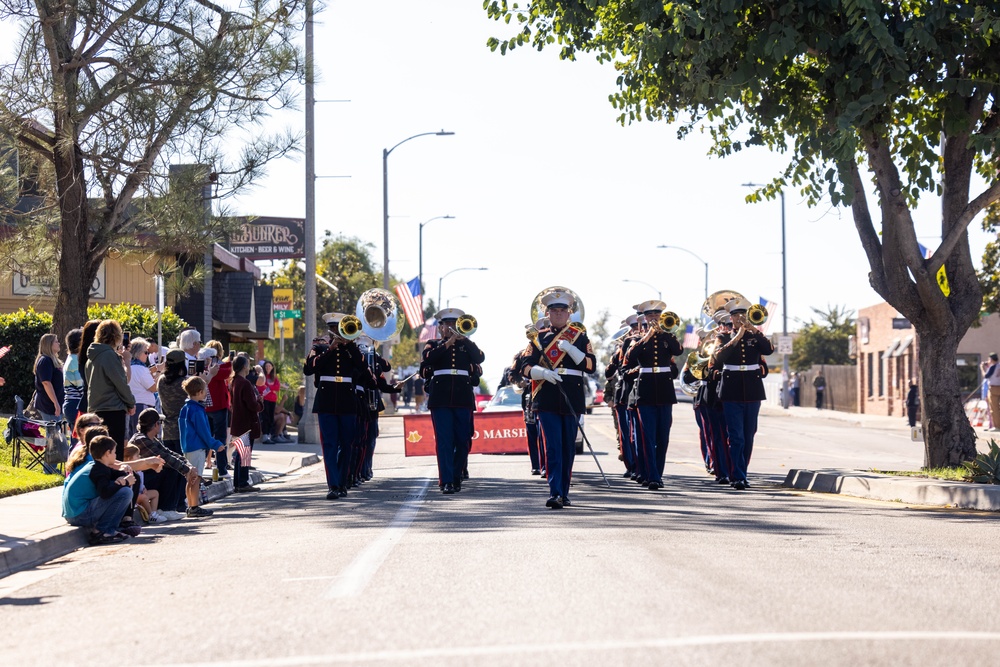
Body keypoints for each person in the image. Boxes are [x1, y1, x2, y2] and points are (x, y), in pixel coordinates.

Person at [521, 290, 595, 509]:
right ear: (548, 313)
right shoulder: (538, 337)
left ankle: (564, 491)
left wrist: (572, 350)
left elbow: (590, 366)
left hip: (571, 395)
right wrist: (541, 373)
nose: (559, 314)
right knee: (553, 446)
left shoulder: (579, 337)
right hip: (547, 396)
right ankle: (555, 493)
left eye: (563, 310)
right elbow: (524, 367)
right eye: (555, 310)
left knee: (567, 448)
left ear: (569, 313)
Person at [420, 308, 486, 495]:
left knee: (463, 440)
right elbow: (427, 361)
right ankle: (447, 480)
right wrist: (448, 343)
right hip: (440, 397)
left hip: (463, 397)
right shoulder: (432, 345)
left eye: (453, 324)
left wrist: (464, 339)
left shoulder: (467, 345)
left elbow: (480, 358)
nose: (450, 328)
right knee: (444, 441)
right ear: (440, 327)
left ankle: (457, 475)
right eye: (446, 324)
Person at [712, 298, 774, 491]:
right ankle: (738, 475)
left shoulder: (755, 337)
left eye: (743, 315)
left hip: (753, 390)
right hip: (731, 391)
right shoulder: (723, 337)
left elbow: (769, 350)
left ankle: (741, 472)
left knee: (748, 436)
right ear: (731, 318)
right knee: (736, 437)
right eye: (736, 316)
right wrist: (736, 337)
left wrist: (754, 330)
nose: (740, 319)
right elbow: (718, 357)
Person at [622, 301, 683, 491]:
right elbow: (630, 357)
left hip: (664, 390)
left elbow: (678, 350)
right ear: (645, 318)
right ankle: (652, 476)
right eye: (650, 316)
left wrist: (664, 333)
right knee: (647, 436)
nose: (654, 318)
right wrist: (647, 336)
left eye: (657, 315)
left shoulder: (667, 336)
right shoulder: (636, 339)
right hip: (645, 390)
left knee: (662, 437)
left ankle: (657, 473)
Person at [304, 319, 366, 500]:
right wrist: (330, 349)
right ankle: (333, 485)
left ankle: (343, 481)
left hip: (347, 402)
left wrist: (350, 344)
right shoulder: (320, 349)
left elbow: (363, 368)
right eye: (334, 329)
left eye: (341, 329)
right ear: (330, 331)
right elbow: (308, 369)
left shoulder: (352, 350)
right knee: (330, 445)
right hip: (327, 402)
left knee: (346, 444)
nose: (337, 333)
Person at [129, 408, 201, 521]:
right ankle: (166, 509)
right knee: (171, 469)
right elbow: (165, 458)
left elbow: (170, 453)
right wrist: (186, 470)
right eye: (160, 423)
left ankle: (176, 506)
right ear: (156, 424)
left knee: (177, 468)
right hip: (138, 481)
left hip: (146, 478)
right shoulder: (141, 440)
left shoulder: (152, 439)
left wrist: (189, 466)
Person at [62, 434, 135, 545]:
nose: (116, 455)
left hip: (73, 513)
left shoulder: (96, 465)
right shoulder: (98, 470)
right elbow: (105, 493)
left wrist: (123, 476)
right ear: (107, 453)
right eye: (114, 452)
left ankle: (110, 529)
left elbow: (113, 474)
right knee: (125, 493)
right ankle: (102, 531)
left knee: (121, 489)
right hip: (79, 515)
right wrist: (123, 482)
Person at [85, 319, 136, 459]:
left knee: (100, 455)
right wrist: (131, 403)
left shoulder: (92, 357)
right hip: (113, 409)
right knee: (114, 454)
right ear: (116, 336)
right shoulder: (109, 355)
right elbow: (121, 382)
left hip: (96, 408)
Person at [178, 376, 225, 517]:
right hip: (196, 448)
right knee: (196, 479)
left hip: (187, 447)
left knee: (190, 479)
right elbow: (203, 432)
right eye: (204, 391)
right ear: (198, 392)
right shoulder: (197, 410)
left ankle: (191, 506)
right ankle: (194, 507)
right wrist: (215, 445)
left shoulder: (185, 408)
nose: (206, 393)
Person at [229, 355, 263, 492]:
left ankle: (238, 482)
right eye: (248, 364)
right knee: (244, 454)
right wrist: (260, 402)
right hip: (246, 422)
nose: (249, 367)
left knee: (240, 453)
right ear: (244, 366)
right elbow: (252, 405)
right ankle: (242, 482)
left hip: (238, 421)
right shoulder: (244, 383)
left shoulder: (234, 381)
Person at [204, 340, 233, 477]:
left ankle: (199, 468)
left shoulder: (202, 365)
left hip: (204, 406)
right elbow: (227, 372)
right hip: (219, 406)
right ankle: (222, 469)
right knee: (221, 438)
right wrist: (230, 361)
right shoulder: (220, 366)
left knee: (204, 437)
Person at [127, 338, 161, 439]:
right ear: (138, 353)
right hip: (142, 407)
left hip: (131, 405)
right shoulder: (141, 369)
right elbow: (154, 388)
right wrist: (159, 372)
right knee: (143, 437)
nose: (148, 355)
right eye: (146, 352)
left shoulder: (128, 367)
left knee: (132, 436)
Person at [124, 443, 165, 523]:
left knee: (155, 493)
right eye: (137, 456)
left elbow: (141, 483)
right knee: (144, 497)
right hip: (133, 496)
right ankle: (151, 515)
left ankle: (154, 513)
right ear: (129, 459)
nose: (139, 457)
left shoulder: (139, 471)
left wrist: (144, 488)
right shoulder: (128, 471)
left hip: (140, 492)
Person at [33, 333, 64, 422]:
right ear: (49, 344)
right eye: (56, 342)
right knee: (54, 432)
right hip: (49, 404)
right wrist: (55, 403)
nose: (59, 343)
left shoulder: (52, 360)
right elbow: (46, 383)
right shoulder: (45, 360)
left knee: (58, 431)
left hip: (55, 402)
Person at [63, 328, 84, 430]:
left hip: (71, 404)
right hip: (76, 404)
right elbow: (81, 386)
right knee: (78, 442)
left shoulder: (71, 358)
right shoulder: (75, 361)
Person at [984, 353, 1000, 430]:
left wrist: (982, 368)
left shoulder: (992, 367)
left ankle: (997, 426)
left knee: (994, 408)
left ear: (991, 359)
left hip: (994, 388)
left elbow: (986, 376)